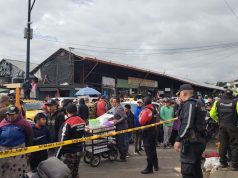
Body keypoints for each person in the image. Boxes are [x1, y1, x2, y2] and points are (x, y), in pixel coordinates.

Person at [174, 84, 206, 178]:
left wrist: (178, 139)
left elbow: (187, 124)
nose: (179, 96)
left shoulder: (190, 104)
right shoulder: (199, 102)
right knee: (196, 168)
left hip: (191, 142)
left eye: (179, 94)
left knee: (187, 170)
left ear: (183, 93)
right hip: (199, 140)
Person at [0, 106, 33, 178]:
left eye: (12, 114)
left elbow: (29, 137)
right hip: (4, 150)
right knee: (4, 169)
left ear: (18, 114)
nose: (10, 116)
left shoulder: (24, 123)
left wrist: (28, 150)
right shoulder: (2, 123)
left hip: (18, 152)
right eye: (8, 114)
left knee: (17, 171)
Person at [210, 89, 238, 171]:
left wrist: (218, 120)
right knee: (234, 145)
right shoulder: (235, 102)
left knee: (223, 144)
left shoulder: (217, 102)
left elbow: (212, 114)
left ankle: (223, 163)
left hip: (222, 126)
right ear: (232, 95)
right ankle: (235, 165)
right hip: (233, 126)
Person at [56, 103, 85, 178]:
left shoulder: (67, 123)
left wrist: (57, 156)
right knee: (75, 172)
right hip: (79, 150)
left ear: (67, 111)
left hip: (69, 153)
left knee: (67, 173)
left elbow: (62, 141)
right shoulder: (82, 121)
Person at [139, 96, 159, 174]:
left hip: (147, 133)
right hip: (154, 131)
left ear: (144, 103)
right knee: (153, 149)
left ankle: (149, 168)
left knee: (148, 151)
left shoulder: (146, 110)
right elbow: (157, 120)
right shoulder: (154, 109)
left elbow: (141, 121)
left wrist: (140, 115)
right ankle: (156, 166)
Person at [110, 97, 128, 162]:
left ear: (117, 102)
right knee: (118, 142)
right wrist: (112, 119)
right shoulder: (116, 108)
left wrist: (117, 121)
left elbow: (125, 117)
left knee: (121, 142)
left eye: (113, 102)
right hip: (119, 126)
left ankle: (123, 157)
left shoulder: (119, 108)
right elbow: (117, 116)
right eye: (112, 102)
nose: (112, 103)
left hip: (121, 127)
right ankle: (122, 155)